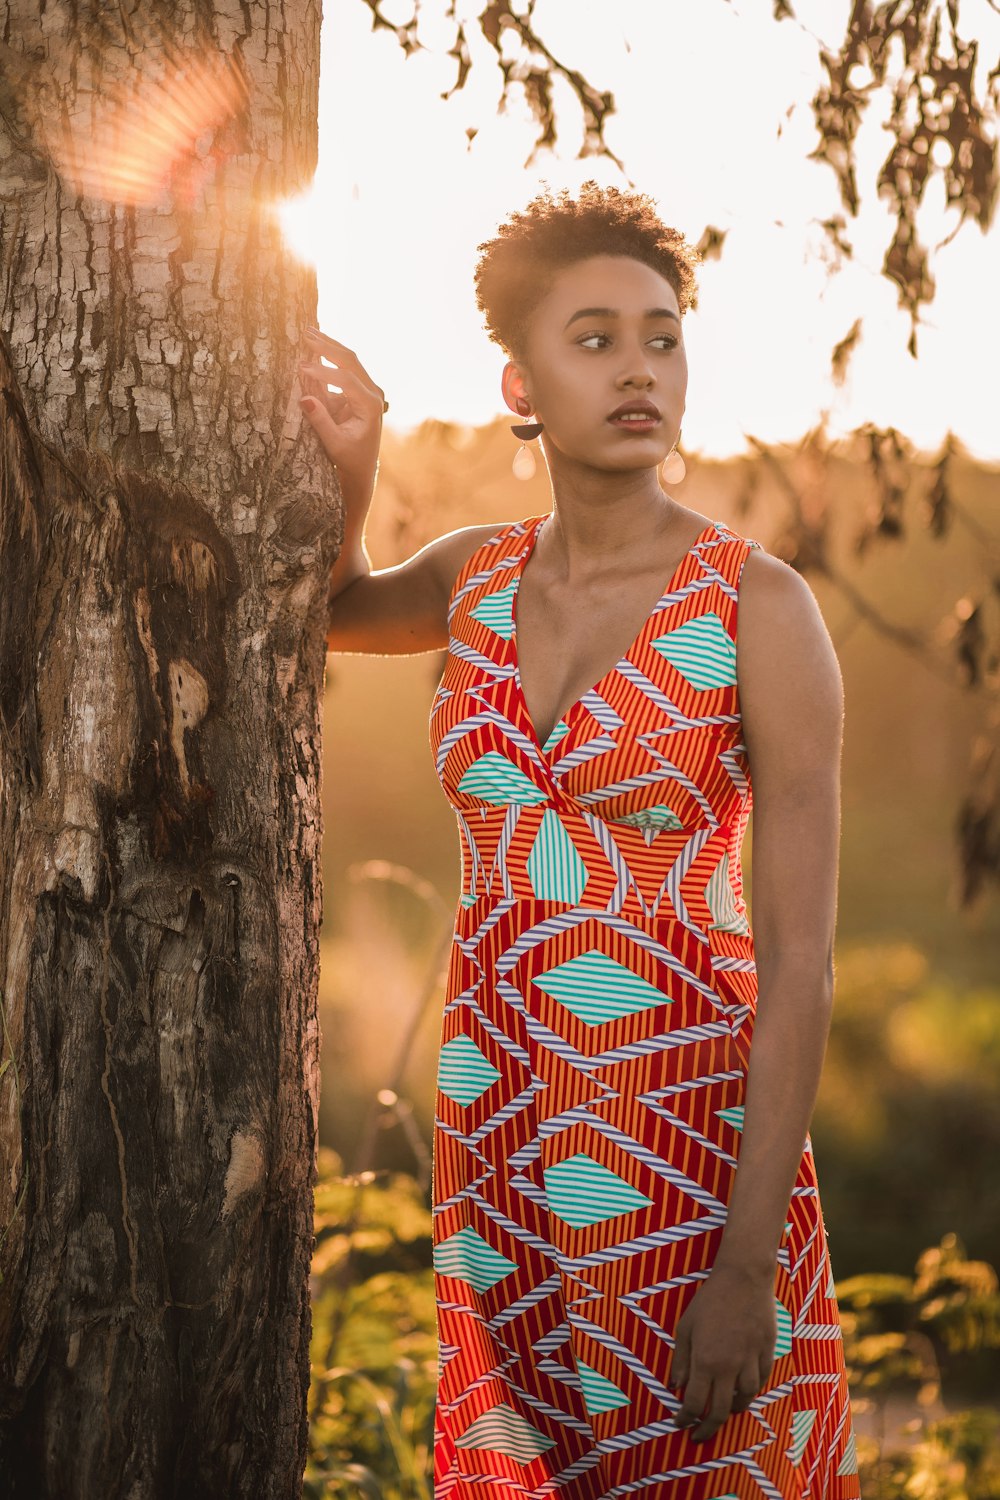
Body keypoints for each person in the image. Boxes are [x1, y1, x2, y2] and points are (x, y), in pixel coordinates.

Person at [298, 182, 860, 1500]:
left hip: (685, 1143)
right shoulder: (470, 581)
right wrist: (357, 465)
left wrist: (742, 1265)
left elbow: (799, 962)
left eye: (662, 336)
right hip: (499, 1132)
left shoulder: (757, 610)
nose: (640, 369)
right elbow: (321, 606)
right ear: (520, 382)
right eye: (595, 338)